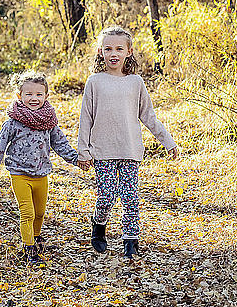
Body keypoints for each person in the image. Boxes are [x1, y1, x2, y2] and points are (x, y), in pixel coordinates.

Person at [77, 26, 179, 259]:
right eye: (108, 48)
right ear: (101, 52)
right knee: (106, 196)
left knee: (131, 197)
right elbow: (86, 118)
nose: (114, 53)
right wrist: (83, 150)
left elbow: (148, 116)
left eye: (119, 49)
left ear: (129, 52)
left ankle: (130, 241)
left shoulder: (135, 82)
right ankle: (99, 225)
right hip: (102, 151)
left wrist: (167, 141)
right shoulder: (95, 82)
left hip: (130, 150)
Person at [0, 71, 79, 264]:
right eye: (28, 94)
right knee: (27, 212)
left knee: (40, 213)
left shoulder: (48, 122)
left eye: (38, 94)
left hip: (41, 173)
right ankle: (29, 249)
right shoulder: (13, 122)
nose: (34, 98)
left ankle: (35, 237)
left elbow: (60, 143)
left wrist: (76, 159)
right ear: (19, 96)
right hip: (19, 174)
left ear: (46, 96)